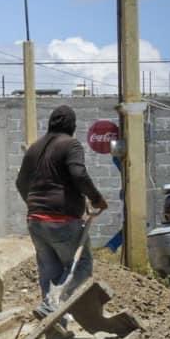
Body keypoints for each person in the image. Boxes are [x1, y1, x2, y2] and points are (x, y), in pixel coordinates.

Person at [16, 105, 108, 321]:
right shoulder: (71, 144)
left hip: (36, 221)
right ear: (72, 127)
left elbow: (20, 182)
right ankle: (50, 306)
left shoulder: (34, 148)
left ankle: (55, 329)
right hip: (62, 219)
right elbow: (78, 173)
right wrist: (96, 198)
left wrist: (34, 204)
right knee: (81, 266)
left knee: (50, 273)